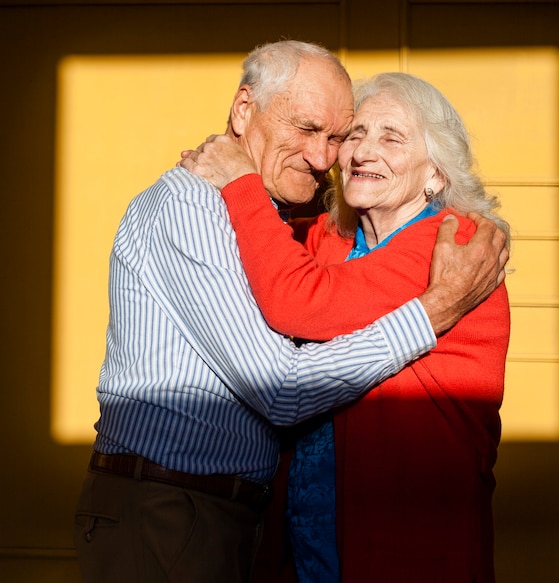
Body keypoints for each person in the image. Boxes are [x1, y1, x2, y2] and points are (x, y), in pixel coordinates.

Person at [74, 39, 508, 583]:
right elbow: (288, 344)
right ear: (242, 110)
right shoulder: (253, 220)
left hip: (404, 537)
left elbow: (298, 296)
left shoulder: (453, 245)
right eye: (350, 134)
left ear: (436, 175)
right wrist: (429, 313)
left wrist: (242, 180)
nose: (337, 156)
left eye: (387, 137)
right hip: (193, 513)